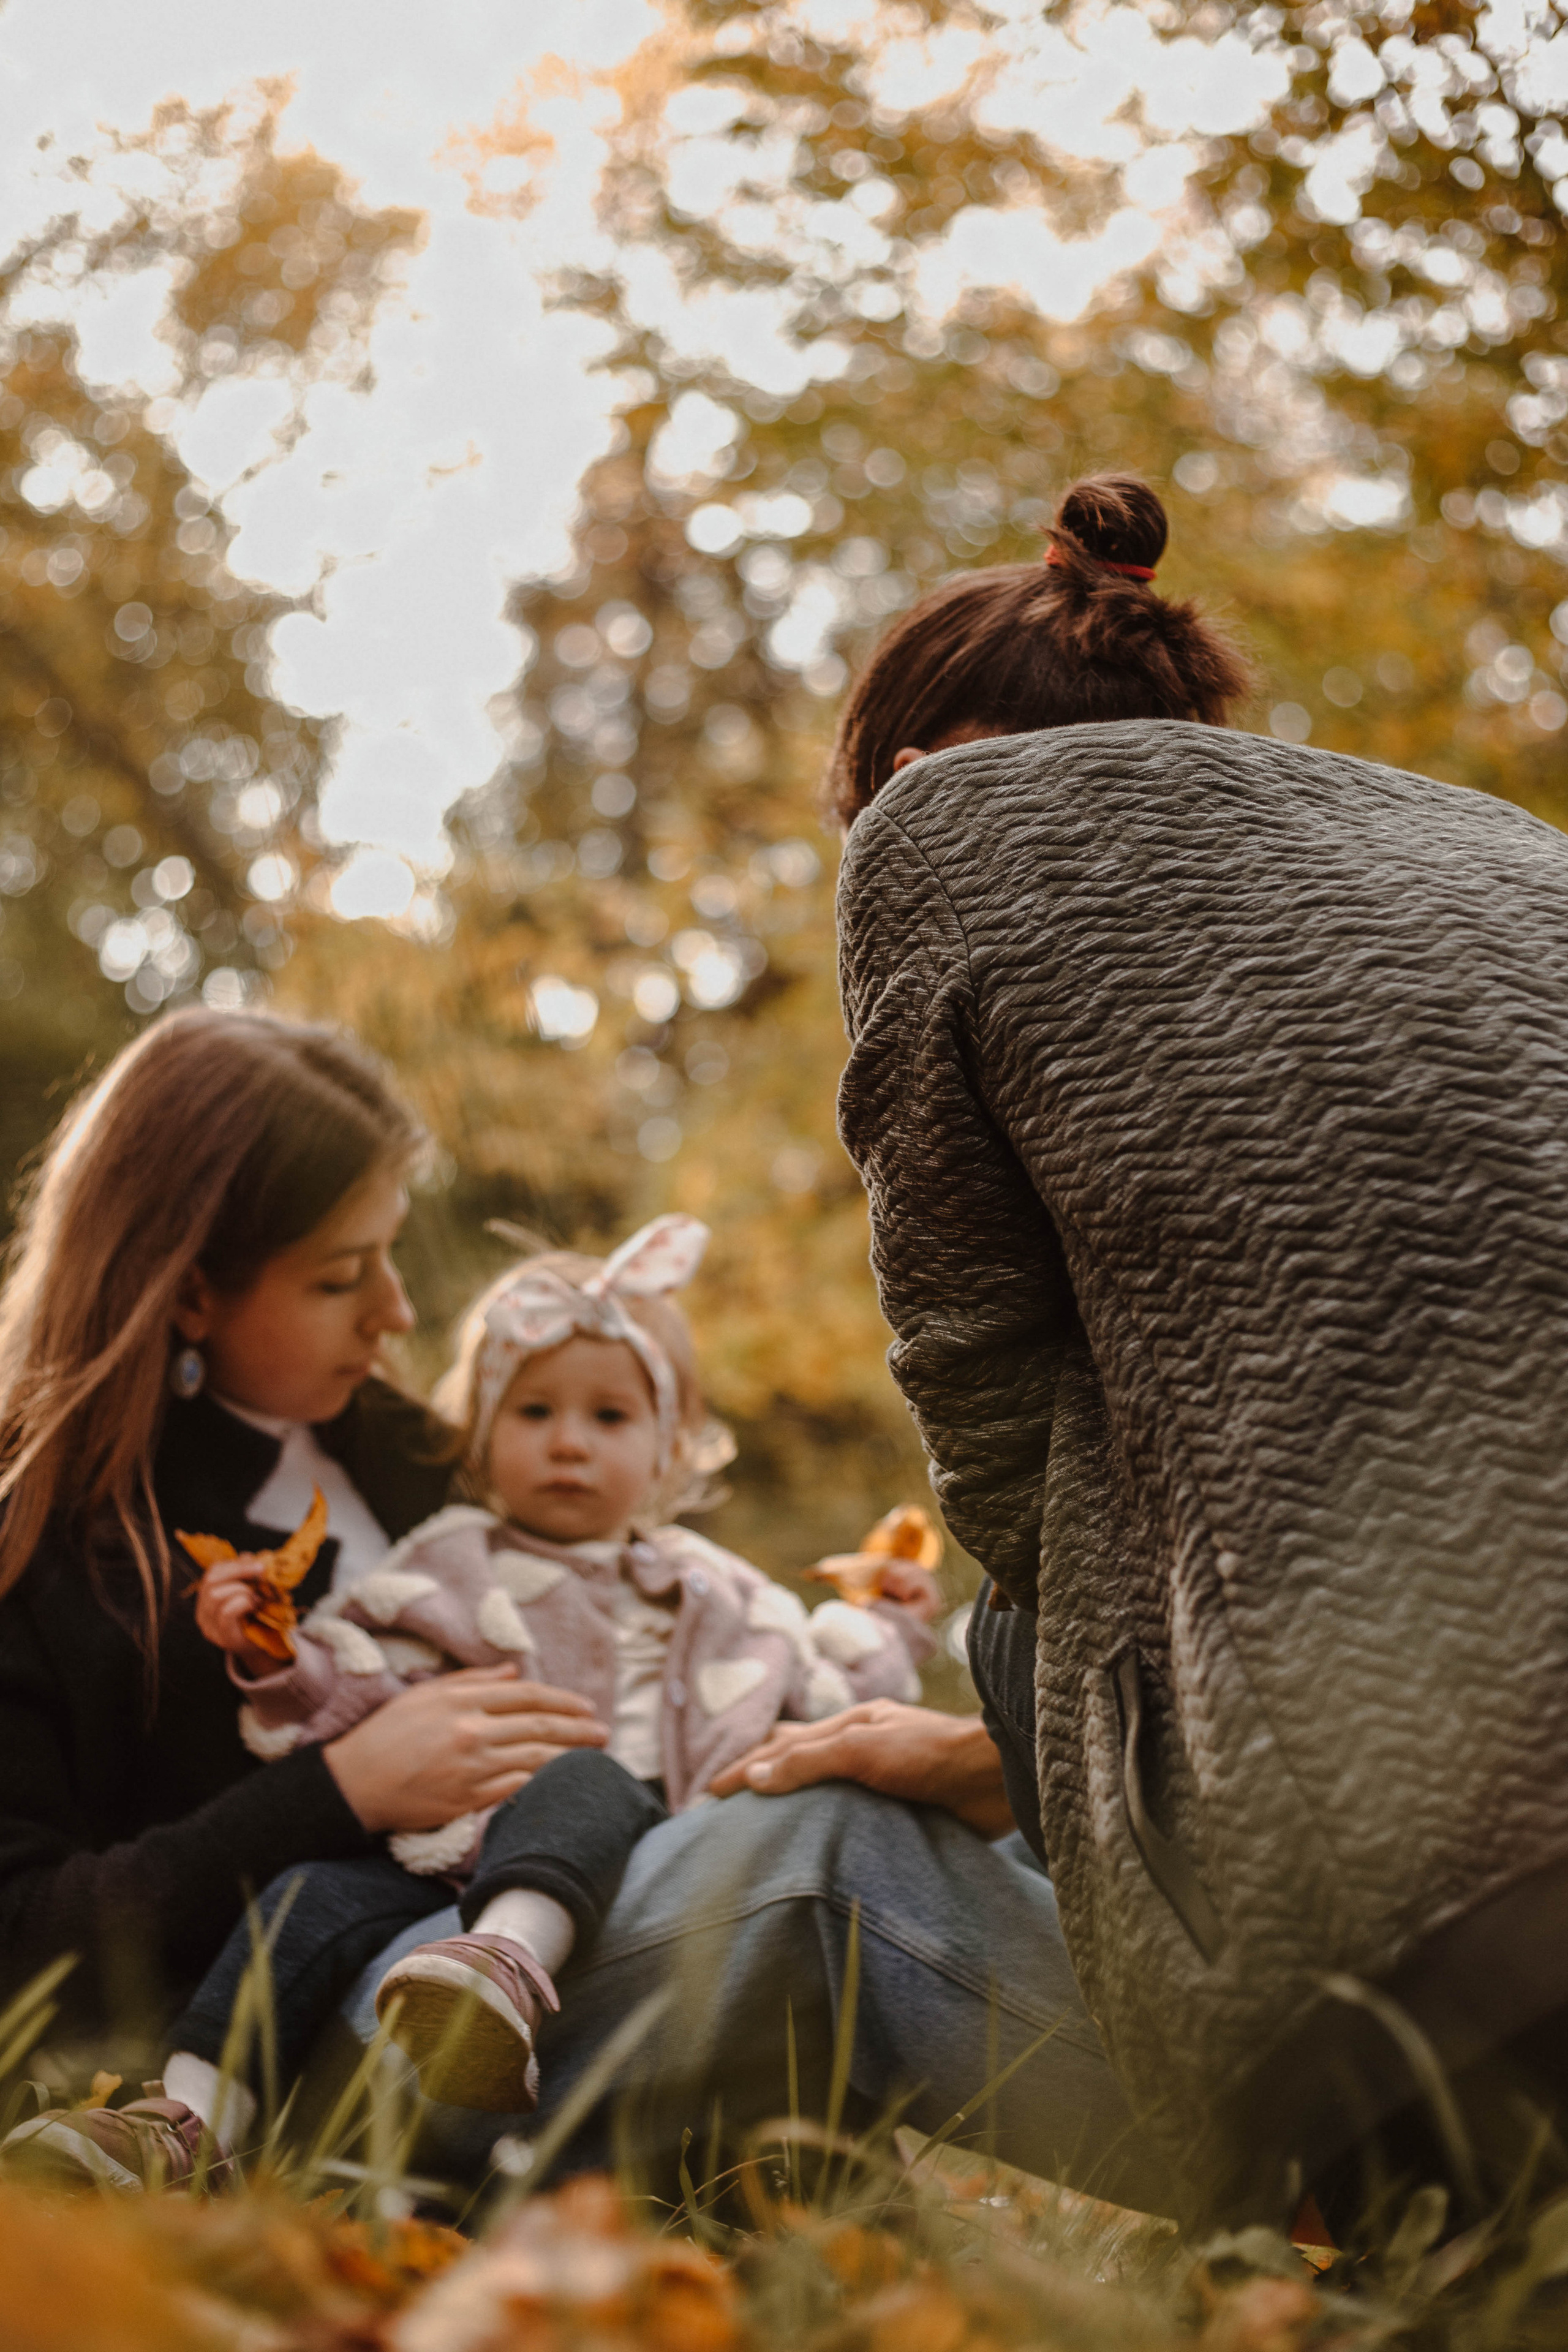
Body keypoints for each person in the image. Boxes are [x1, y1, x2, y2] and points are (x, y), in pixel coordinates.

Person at [827, 467, 1568, 2231]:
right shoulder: (1488, 839)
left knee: (1040, 1559)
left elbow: (977, 1376)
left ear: (915, 764)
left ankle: (1308, 2170)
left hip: (1461, 1836)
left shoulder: (935, 832)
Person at [0, 1010, 611, 2188]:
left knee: (806, 1838)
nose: (398, 1313)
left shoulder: (428, 1455)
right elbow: (26, 1941)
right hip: (300, 2035)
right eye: (341, 1278)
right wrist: (339, 1789)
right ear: (187, 1298)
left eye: (390, 1255)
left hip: (559, 1920)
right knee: (800, 1870)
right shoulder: (46, 1551)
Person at [178, 1214, 937, 2120]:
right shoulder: (451, 1564)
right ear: (482, 1434)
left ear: (668, 1444)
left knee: (588, 1779)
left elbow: (831, 1695)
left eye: (609, 1415)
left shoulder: (718, 1589)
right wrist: (279, 1654)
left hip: (653, 1867)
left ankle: (505, 1962)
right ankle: (187, 2118)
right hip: (443, 1872)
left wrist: (887, 1625)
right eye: (535, 1412)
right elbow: (361, 1689)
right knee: (302, 1901)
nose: (569, 1442)